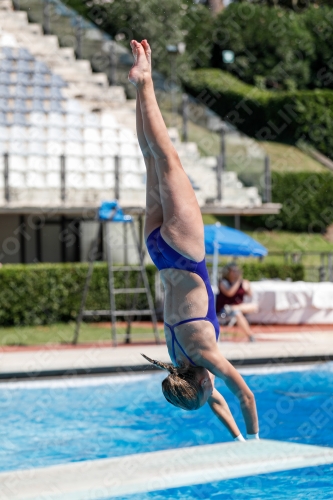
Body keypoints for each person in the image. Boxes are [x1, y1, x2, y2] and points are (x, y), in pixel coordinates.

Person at [129, 39, 259, 441]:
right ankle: (139, 85)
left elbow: (244, 396)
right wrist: (236, 440)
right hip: (158, 249)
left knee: (168, 156)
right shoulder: (178, 359)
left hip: (184, 252)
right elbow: (218, 400)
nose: (213, 388)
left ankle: (145, 82)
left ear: (201, 382)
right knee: (151, 158)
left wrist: (255, 440)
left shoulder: (205, 354)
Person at [216, 262, 259, 342]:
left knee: (254, 306)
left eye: (237, 271)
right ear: (228, 272)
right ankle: (250, 335)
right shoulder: (223, 282)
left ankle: (234, 308)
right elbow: (230, 293)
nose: (235, 273)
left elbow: (250, 294)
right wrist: (237, 282)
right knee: (237, 313)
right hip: (223, 309)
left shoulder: (242, 282)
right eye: (233, 271)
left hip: (235, 307)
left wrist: (247, 285)